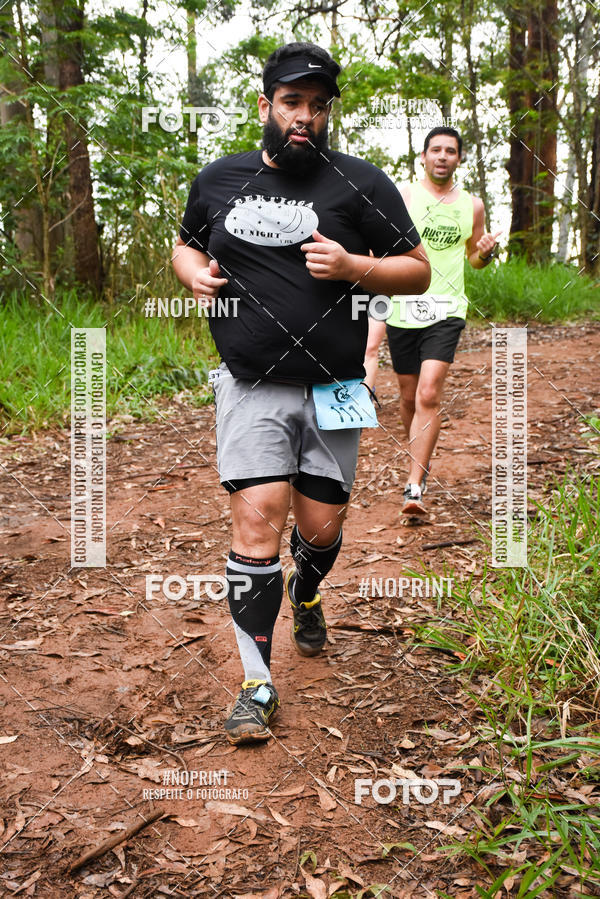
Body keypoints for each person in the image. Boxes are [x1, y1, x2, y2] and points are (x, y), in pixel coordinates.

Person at [172, 41, 430, 745]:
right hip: (250, 385)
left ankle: (308, 589)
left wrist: (354, 264)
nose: (305, 118)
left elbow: (418, 270)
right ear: (266, 106)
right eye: (292, 102)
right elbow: (187, 241)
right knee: (257, 526)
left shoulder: (361, 184)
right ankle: (256, 681)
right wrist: (192, 269)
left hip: (335, 389)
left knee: (319, 529)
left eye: (318, 106)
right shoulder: (220, 179)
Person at [364, 127, 499, 518]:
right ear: (423, 157)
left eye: (450, 151)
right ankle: (418, 457)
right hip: (405, 308)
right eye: (435, 150)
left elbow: (473, 256)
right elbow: (382, 245)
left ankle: (414, 486)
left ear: (459, 159)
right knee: (408, 399)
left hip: (447, 308)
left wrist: (486, 253)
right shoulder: (404, 196)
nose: (442, 156)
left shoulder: (472, 205)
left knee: (427, 394)